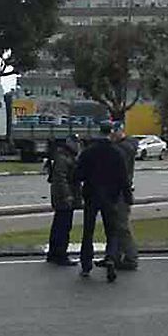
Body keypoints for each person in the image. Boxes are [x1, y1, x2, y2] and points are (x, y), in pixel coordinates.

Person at [75, 120, 131, 282]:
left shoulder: (88, 152)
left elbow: (78, 175)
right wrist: (127, 196)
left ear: (99, 131)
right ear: (111, 132)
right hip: (111, 196)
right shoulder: (116, 153)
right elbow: (123, 177)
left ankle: (86, 264)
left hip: (92, 194)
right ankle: (111, 258)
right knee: (111, 231)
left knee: (88, 231)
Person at [103, 122, 139, 271]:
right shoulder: (126, 146)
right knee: (115, 226)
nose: (110, 136)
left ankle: (131, 257)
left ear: (119, 131)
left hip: (121, 192)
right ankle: (114, 256)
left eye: (113, 133)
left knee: (122, 226)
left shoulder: (124, 148)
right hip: (118, 190)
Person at [46, 136, 81, 266]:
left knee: (58, 225)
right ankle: (60, 254)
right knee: (63, 226)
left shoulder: (63, 156)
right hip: (64, 198)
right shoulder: (64, 158)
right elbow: (61, 179)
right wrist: (68, 196)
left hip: (62, 197)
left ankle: (54, 253)